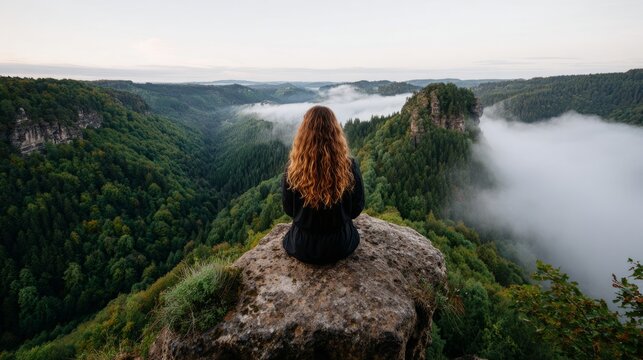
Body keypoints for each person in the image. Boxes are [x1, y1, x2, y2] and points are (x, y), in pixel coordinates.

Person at [282, 105, 365, 265]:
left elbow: (289, 210)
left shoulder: (292, 170)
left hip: (302, 245)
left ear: (303, 134)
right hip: (340, 244)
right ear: (335, 132)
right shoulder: (348, 167)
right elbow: (356, 209)